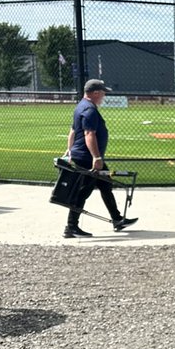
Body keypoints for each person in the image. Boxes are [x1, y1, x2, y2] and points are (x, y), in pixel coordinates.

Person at [62, 79, 138, 238]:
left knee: (106, 185)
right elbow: (89, 134)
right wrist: (96, 157)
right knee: (83, 191)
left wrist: (69, 150)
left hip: (84, 156)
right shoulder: (89, 110)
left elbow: (72, 131)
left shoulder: (81, 106)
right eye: (103, 92)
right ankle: (71, 227)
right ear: (95, 93)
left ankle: (117, 219)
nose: (104, 95)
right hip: (87, 158)